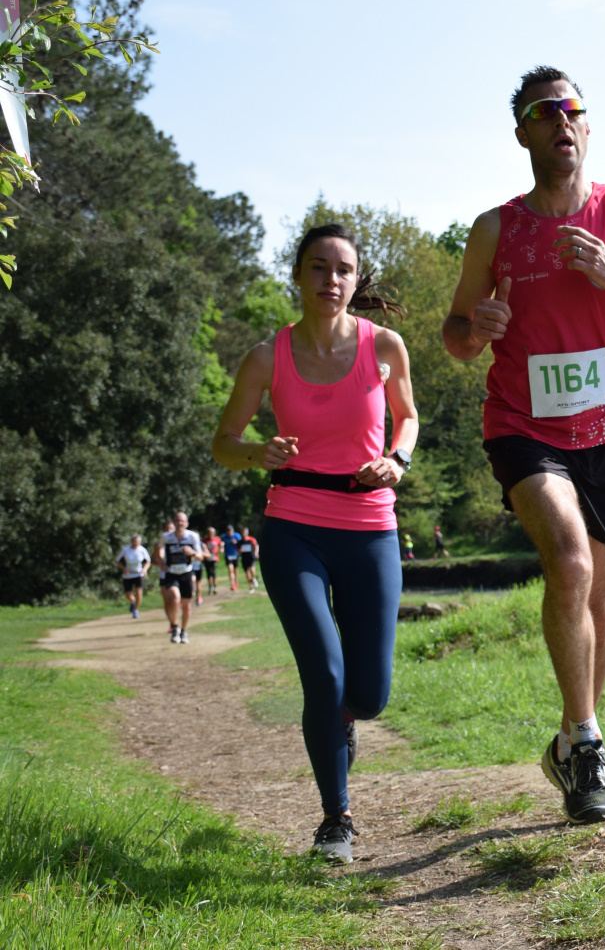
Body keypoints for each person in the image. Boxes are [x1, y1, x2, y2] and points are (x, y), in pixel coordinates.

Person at [442, 65, 605, 824]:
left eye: (572, 108)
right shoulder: (495, 229)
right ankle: (588, 743)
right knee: (571, 561)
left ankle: (569, 737)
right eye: (543, 111)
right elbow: (456, 336)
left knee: (601, 603)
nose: (561, 119)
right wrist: (476, 327)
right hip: (523, 425)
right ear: (522, 133)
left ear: (587, 126)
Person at [212, 222, 418, 865]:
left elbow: (408, 418)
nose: (332, 279)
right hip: (294, 526)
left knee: (370, 695)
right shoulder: (266, 357)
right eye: (319, 268)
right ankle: (336, 818)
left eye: (343, 269)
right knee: (323, 676)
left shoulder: (384, 346)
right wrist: (258, 451)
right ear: (298, 276)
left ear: (356, 280)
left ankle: (344, 723)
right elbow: (224, 444)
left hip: (370, 526)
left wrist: (398, 459)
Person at [155, 513, 202, 644]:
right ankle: (175, 626)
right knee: (175, 598)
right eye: (177, 520)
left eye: (182, 521)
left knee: (186, 605)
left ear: (187, 523)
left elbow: (200, 556)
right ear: (173, 522)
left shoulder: (192, 536)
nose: (179, 523)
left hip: (186, 573)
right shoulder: (166, 537)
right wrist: (161, 561)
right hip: (171, 573)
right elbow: (159, 549)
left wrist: (192, 553)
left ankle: (184, 631)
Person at [115, 534, 151, 619]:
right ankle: (133, 602)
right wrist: (124, 569)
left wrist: (144, 569)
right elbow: (117, 561)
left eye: (137, 541)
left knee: (138, 592)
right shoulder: (125, 550)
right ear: (131, 541)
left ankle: (136, 610)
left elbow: (148, 561)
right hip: (128, 575)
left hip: (138, 574)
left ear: (140, 542)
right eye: (134, 541)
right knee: (128, 594)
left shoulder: (142, 550)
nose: (135, 543)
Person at [223, 524, 241, 592]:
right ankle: (232, 584)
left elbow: (240, 544)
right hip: (228, 555)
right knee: (230, 569)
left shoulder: (237, 536)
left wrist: (236, 543)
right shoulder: (224, 537)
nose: (229, 532)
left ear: (233, 530)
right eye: (228, 531)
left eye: (230, 531)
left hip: (236, 554)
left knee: (235, 569)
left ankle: (236, 580)